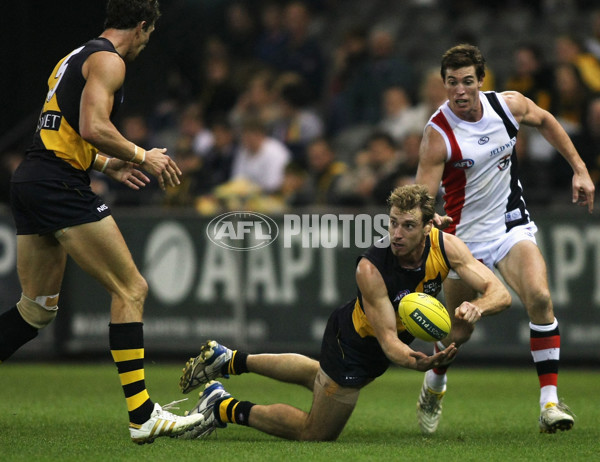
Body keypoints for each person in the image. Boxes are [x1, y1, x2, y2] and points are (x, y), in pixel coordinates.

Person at [0, 0, 204, 444]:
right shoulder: (110, 60)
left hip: (33, 177)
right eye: (149, 36)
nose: (146, 45)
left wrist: (104, 164)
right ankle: (142, 415)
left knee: (35, 310)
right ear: (143, 26)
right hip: (58, 184)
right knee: (131, 288)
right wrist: (140, 154)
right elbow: (93, 124)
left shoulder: (73, 57)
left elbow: (62, 131)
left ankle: (143, 414)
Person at [176, 184, 511, 441]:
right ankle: (222, 408)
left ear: (427, 227)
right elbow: (389, 342)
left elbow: (500, 293)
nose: (396, 233)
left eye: (408, 226)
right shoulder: (371, 267)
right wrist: (417, 361)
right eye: (393, 223)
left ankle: (228, 360)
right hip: (354, 346)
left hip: (364, 340)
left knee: (316, 376)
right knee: (316, 433)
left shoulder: (445, 245)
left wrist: (476, 306)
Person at [415, 44, 595, 435]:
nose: (459, 91)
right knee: (457, 332)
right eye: (451, 83)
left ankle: (549, 404)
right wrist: (430, 217)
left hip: (510, 226)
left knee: (541, 298)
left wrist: (579, 169)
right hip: (462, 240)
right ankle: (436, 382)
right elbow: (422, 197)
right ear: (444, 85)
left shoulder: (507, 106)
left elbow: (546, 120)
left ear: (481, 81)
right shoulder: (438, 133)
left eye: (467, 82)